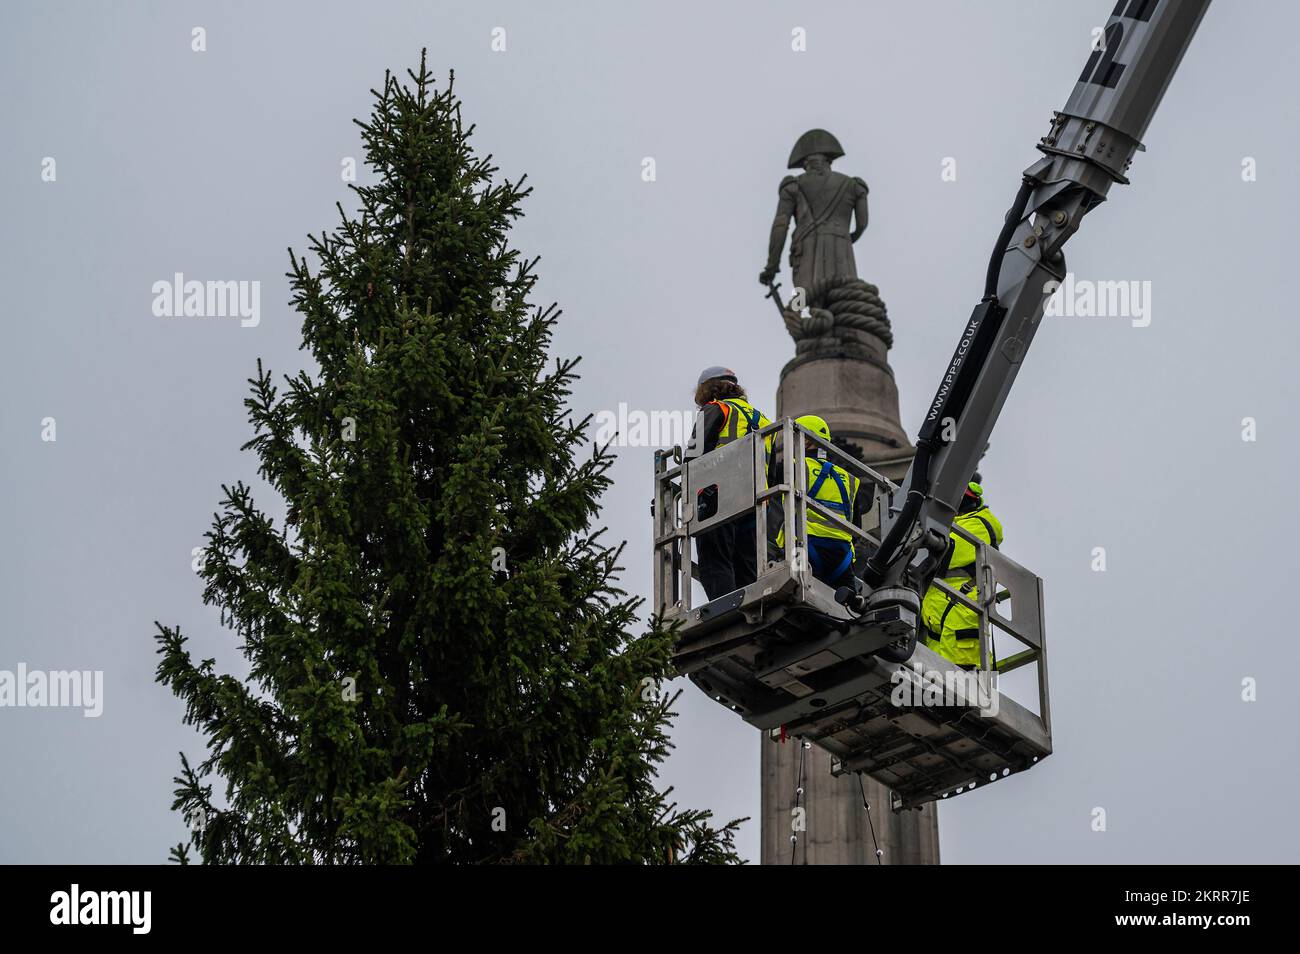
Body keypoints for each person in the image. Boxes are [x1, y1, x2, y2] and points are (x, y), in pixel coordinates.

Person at [685, 366, 773, 601]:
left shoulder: (715, 409)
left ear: (707, 389)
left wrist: (681, 493)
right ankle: (750, 605)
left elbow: (694, 457)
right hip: (756, 500)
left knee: (715, 558)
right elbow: (774, 468)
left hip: (719, 495)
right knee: (746, 563)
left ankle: (725, 609)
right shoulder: (763, 419)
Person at [771, 415, 867, 591]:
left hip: (803, 548)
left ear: (806, 441)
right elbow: (856, 526)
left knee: (796, 600)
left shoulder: (792, 467)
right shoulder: (849, 479)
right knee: (846, 612)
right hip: (842, 556)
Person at [920, 477, 1005, 669]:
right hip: (941, 609)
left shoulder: (981, 523)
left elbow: (949, 552)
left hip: (962, 609)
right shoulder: (959, 522)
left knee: (964, 681)